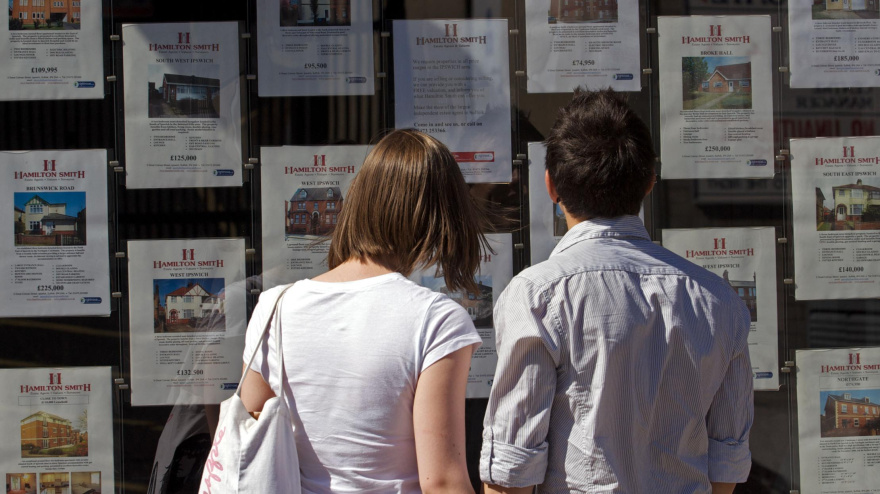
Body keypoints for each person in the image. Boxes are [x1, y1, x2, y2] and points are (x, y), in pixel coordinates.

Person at [480, 89, 753, 494]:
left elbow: (511, 472)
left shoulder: (538, 295)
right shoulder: (719, 300)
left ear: (550, 186)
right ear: (650, 182)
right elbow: (726, 462)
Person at [240, 128, 489, 493]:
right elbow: (443, 482)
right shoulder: (436, 319)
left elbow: (252, 432)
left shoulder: (275, 306)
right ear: (441, 215)